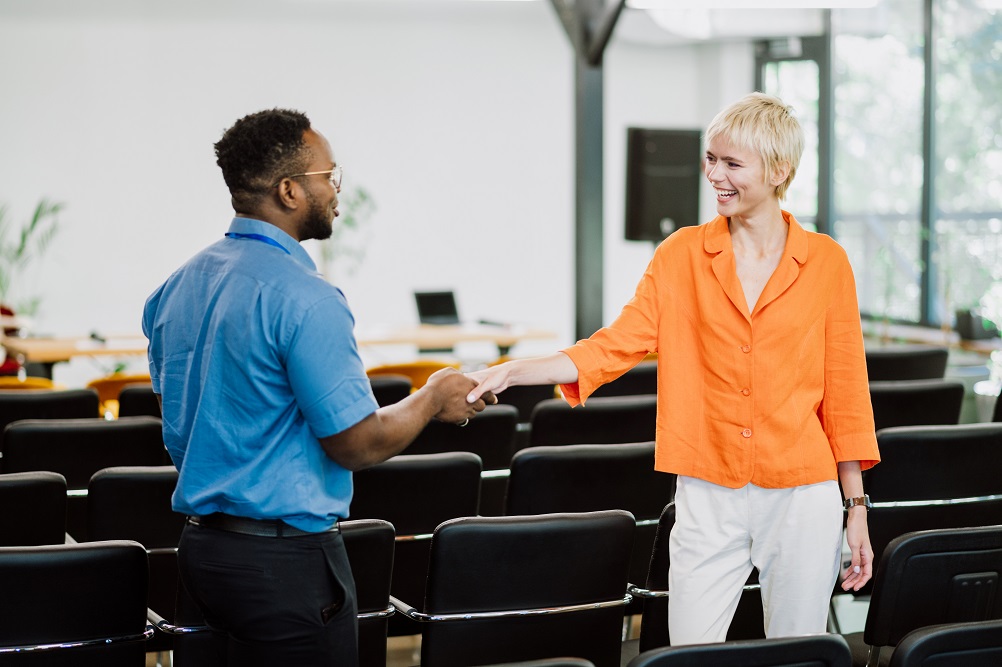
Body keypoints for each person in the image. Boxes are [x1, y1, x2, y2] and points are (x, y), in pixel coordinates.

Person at [466, 92, 880, 644]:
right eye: (711, 159)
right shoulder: (680, 255)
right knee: (689, 649)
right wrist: (513, 371)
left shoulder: (827, 261)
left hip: (804, 494)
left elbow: (846, 392)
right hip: (707, 489)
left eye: (732, 163)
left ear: (779, 170)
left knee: (797, 653)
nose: (715, 175)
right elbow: (612, 347)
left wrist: (856, 507)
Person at [143, 108, 494, 666]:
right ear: (289, 190)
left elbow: (180, 419)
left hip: (202, 552)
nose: (336, 190)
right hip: (284, 564)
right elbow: (356, 443)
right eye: (329, 175)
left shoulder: (177, 286)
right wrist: (432, 398)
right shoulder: (307, 298)